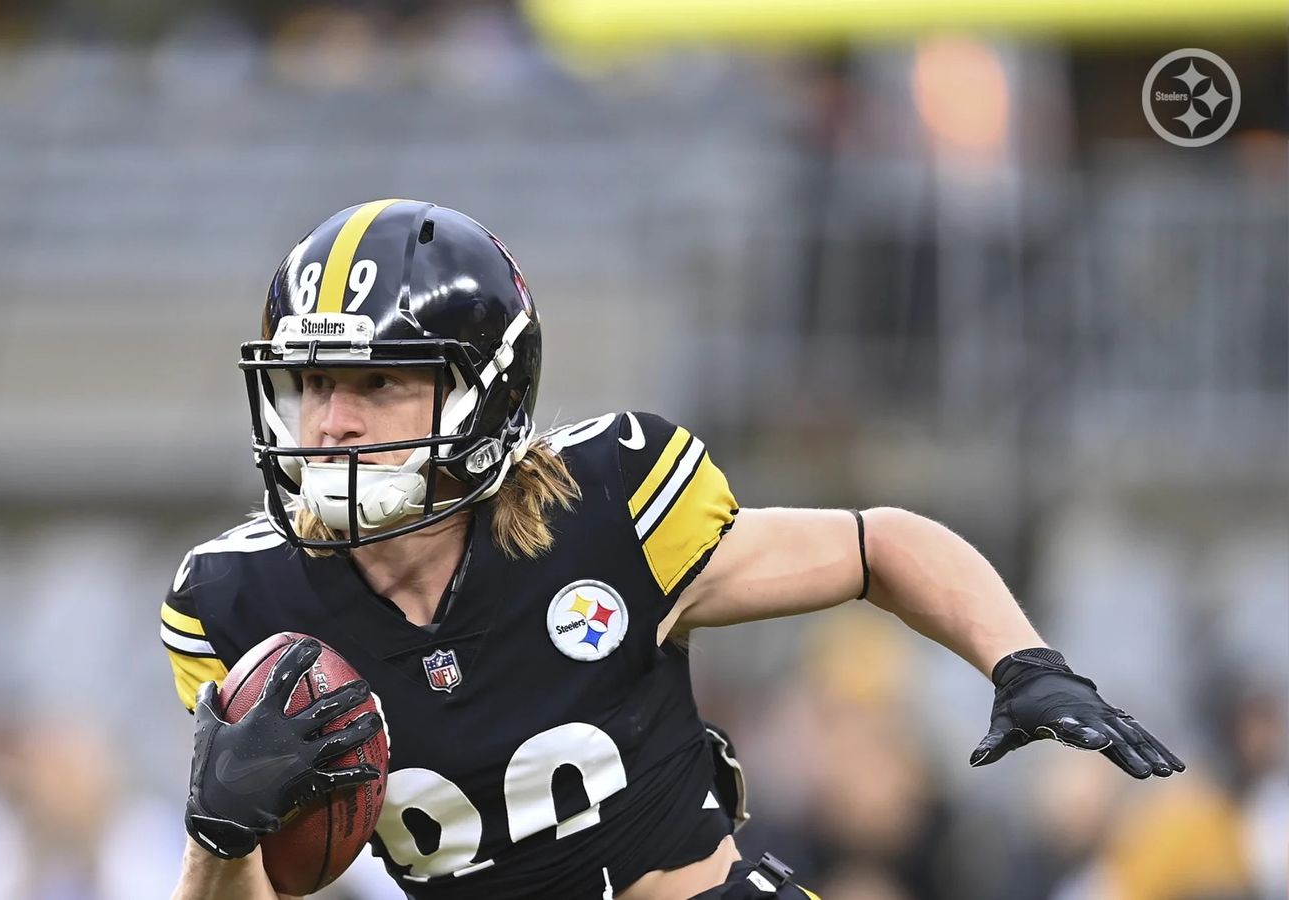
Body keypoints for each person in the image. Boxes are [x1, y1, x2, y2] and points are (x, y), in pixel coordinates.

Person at [161, 199, 1183, 900]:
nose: (331, 422)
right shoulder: (239, 603)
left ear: (485, 391)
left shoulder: (610, 506)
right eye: (311, 384)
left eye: (377, 383)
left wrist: (1022, 660)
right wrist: (218, 834)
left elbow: (878, 546)